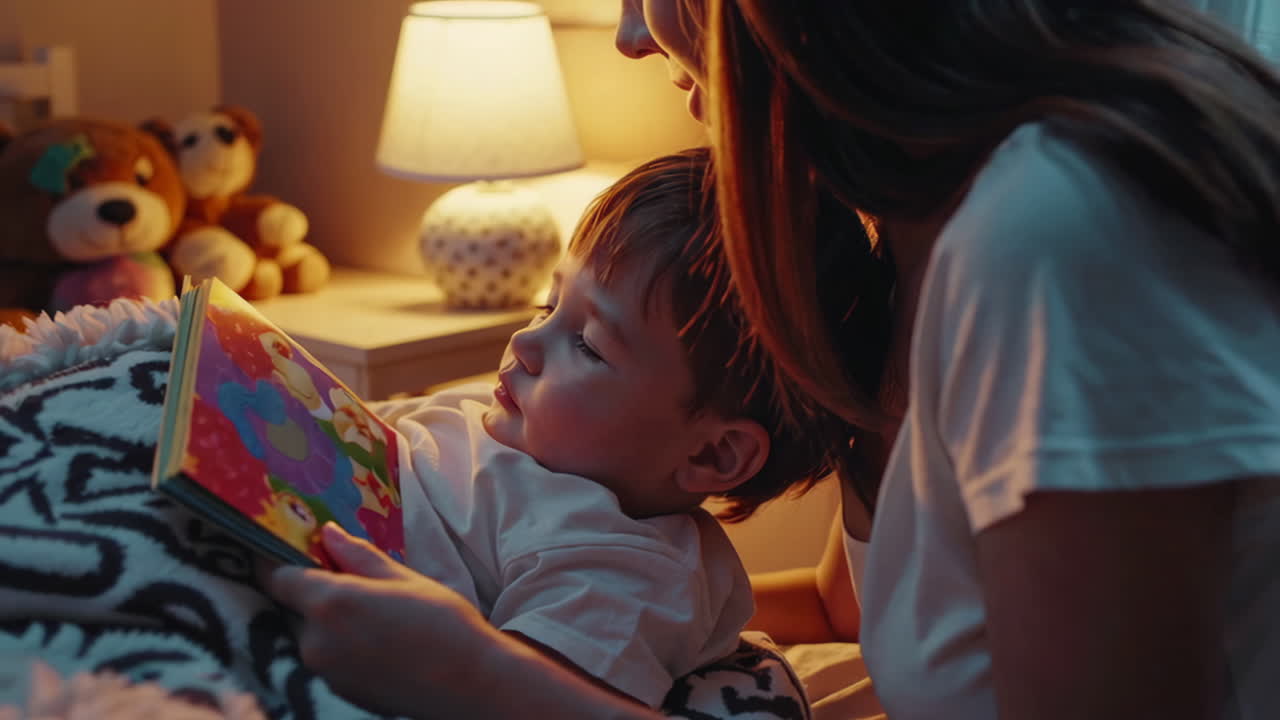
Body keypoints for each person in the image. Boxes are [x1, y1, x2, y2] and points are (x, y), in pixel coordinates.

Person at [277, 0, 1280, 717]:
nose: (629, 34)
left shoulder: (1057, 238)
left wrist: (480, 679)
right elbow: (855, 605)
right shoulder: (900, 247)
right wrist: (579, 571)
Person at [262, 148, 832, 715]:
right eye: (548, 304)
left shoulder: (622, 568)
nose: (525, 343)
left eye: (587, 345)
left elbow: (513, 697)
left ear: (714, 451)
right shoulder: (500, 420)